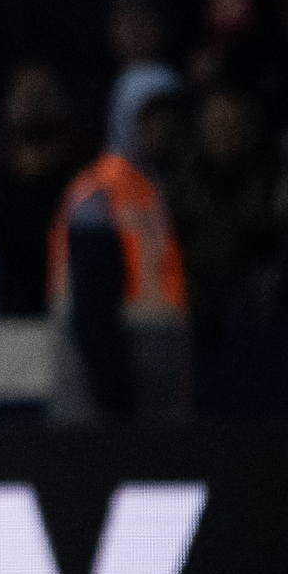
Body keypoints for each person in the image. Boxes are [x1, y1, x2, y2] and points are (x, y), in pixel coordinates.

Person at [49, 85, 193, 425]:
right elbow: (91, 310)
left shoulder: (153, 186)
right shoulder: (99, 191)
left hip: (153, 379)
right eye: (152, 116)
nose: (165, 127)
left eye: (170, 116)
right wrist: (118, 406)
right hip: (106, 392)